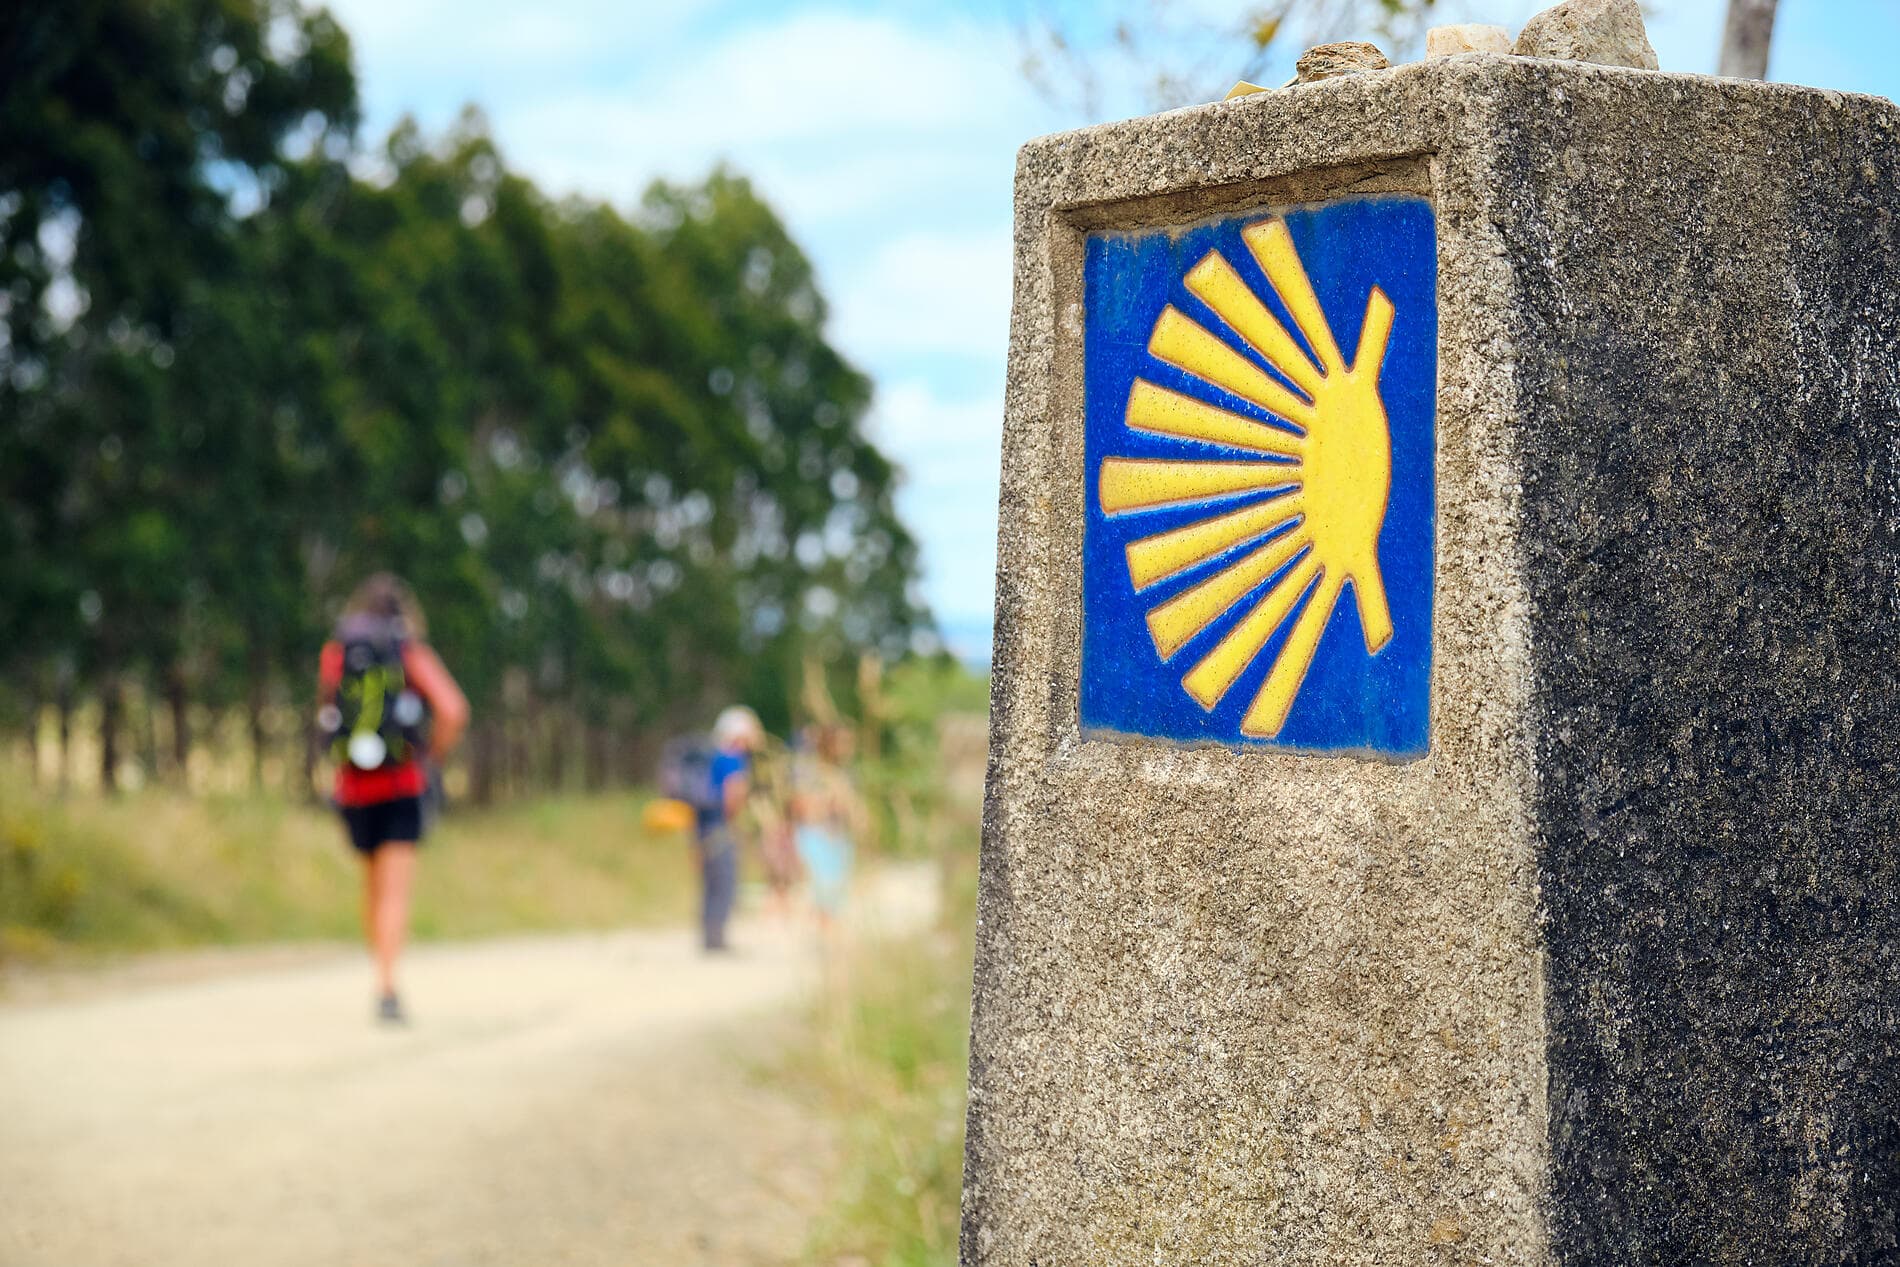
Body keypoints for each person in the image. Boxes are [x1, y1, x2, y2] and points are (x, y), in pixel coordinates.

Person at [316, 574, 468, 1023]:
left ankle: (379, 974)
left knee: (371, 886)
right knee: (394, 893)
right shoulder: (408, 651)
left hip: (353, 786)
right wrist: (432, 756)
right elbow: (454, 709)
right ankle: (387, 986)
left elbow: (327, 711)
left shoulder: (337, 653)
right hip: (402, 783)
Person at [696, 705, 762, 953]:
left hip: (704, 826)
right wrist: (736, 823)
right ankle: (717, 939)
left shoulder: (715, 755)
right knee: (725, 881)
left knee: (710, 882)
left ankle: (710, 936)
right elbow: (733, 795)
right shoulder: (734, 758)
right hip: (722, 828)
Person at [791, 724, 866, 938]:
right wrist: (827, 803)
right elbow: (799, 804)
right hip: (816, 835)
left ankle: (828, 938)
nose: (847, 748)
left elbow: (853, 806)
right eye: (842, 742)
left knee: (836, 893)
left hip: (839, 837)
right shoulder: (810, 770)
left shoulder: (848, 773)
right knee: (821, 889)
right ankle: (825, 938)